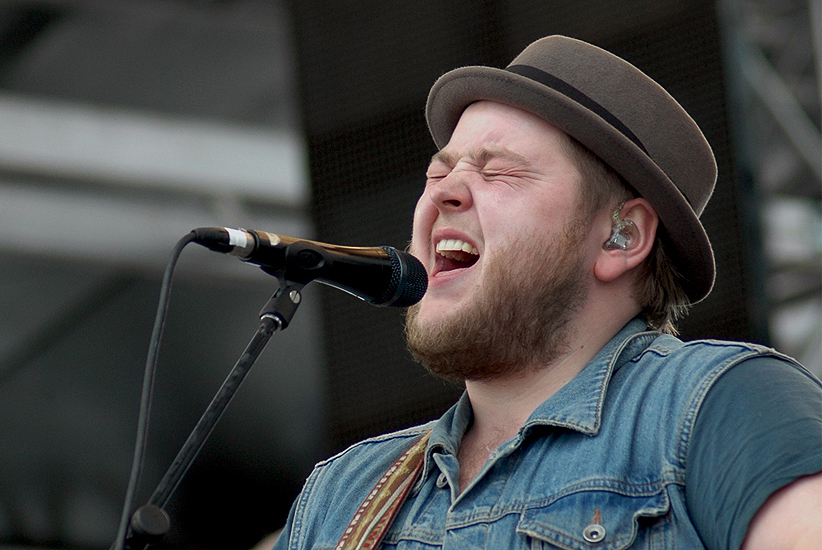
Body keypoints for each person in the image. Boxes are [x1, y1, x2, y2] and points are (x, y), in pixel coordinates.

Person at [271, 35, 822, 550]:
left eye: (499, 173)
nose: (445, 195)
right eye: (437, 174)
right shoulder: (342, 495)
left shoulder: (725, 405)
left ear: (620, 236)